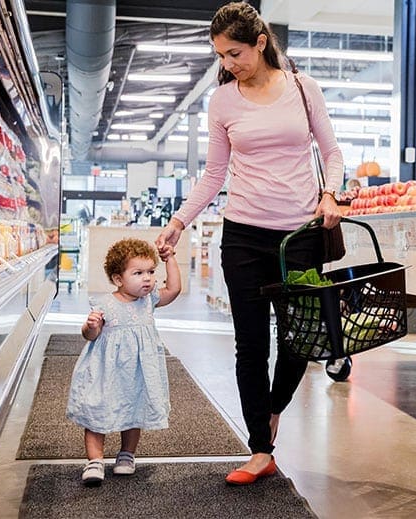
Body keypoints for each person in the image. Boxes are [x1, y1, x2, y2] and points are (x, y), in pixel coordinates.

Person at [155, 1, 343, 486]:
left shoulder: (304, 90)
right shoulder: (222, 102)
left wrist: (329, 193)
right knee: (250, 344)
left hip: (300, 237)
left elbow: (332, 150)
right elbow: (215, 173)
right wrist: (179, 221)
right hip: (242, 236)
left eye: (234, 52)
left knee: (301, 340)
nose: (227, 64)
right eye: (220, 55)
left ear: (261, 43)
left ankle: (271, 411)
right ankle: (260, 447)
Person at [66, 238, 182, 486]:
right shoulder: (105, 304)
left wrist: (170, 259)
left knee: (133, 411)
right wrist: (91, 326)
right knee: (97, 410)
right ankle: (95, 460)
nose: (148, 278)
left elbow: (173, 290)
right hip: (107, 372)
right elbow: (90, 336)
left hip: (137, 373)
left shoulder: (148, 301)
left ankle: (127, 455)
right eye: (138, 273)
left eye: (151, 272)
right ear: (119, 279)